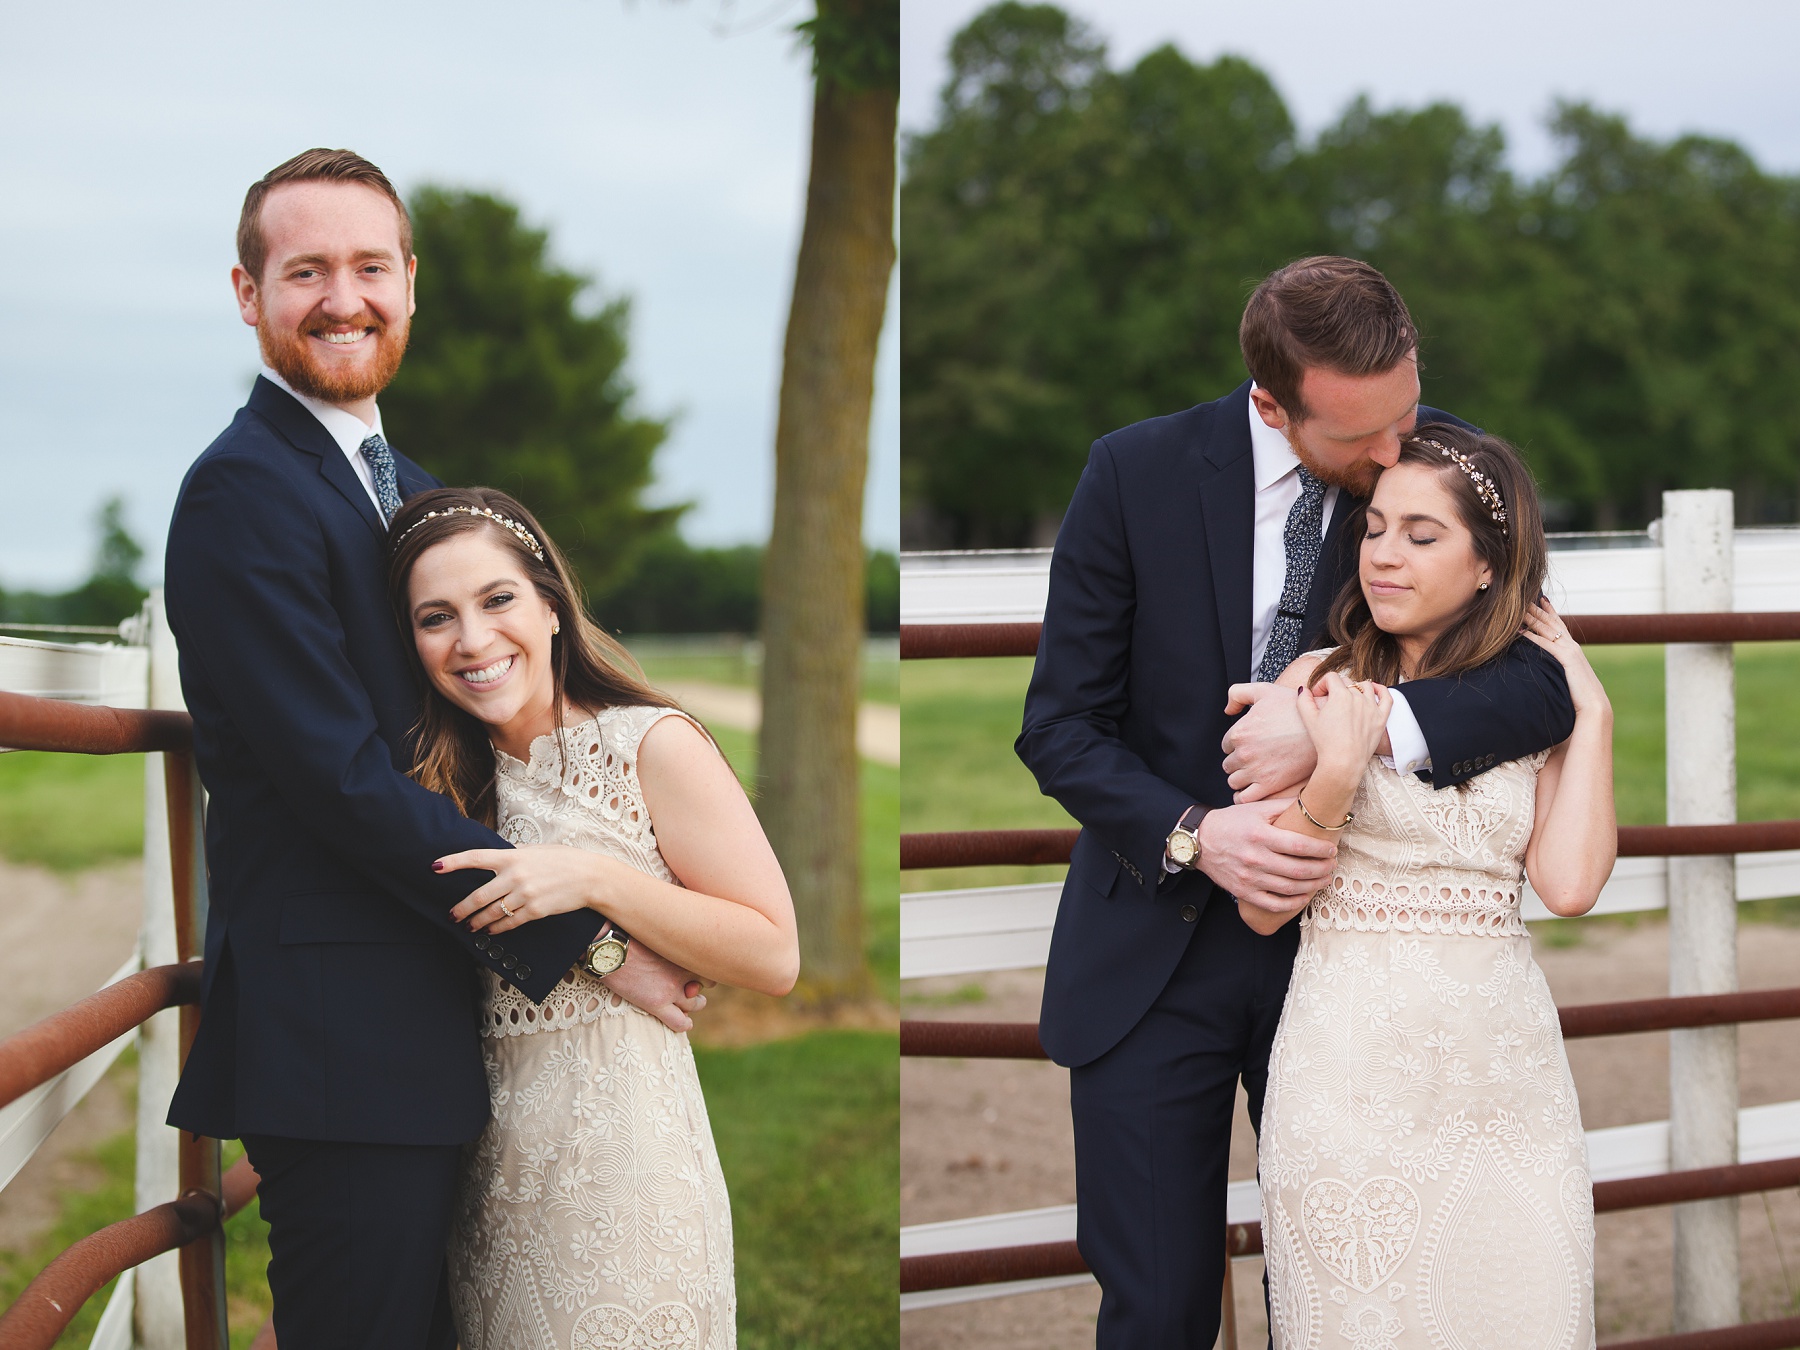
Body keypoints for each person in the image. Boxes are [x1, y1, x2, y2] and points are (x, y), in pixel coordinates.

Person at [164, 148, 703, 1350]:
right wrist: (592, 942)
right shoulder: (239, 493)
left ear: (411, 283)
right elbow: (340, 781)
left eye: (368, 266)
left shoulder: (403, 486)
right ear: (249, 294)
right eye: (304, 270)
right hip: (341, 1041)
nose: (341, 297)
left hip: (441, 1024)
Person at [1015, 256, 1577, 1348]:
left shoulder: (1440, 463)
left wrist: (1350, 721)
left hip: (1344, 970)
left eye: (1404, 410)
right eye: (1360, 435)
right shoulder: (1132, 473)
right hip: (1150, 956)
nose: (1391, 453)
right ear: (1271, 402)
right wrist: (1197, 833)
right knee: (1158, 1311)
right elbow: (1060, 726)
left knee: (1342, 1297)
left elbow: (1536, 676)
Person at [384, 486, 798, 1349]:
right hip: (488, 1179)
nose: (472, 640)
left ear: (550, 607)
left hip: (627, 1183)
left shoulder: (649, 744)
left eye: (498, 600)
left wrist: (595, 878)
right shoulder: (436, 787)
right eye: (436, 617)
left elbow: (772, 953)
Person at [1255, 425, 1611, 1348]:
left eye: (1421, 535)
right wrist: (1332, 781)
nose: (1383, 555)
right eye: (1375, 529)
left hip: (1504, 1078)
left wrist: (1595, 712)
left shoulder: (1537, 700)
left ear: (1490, 565)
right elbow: (1261, 907)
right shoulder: (1313, 684)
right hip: (1345, 1073)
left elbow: (1569, 885)